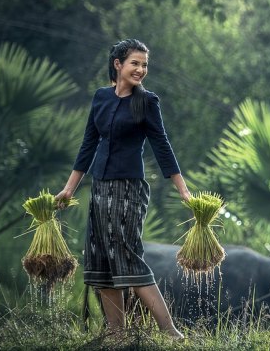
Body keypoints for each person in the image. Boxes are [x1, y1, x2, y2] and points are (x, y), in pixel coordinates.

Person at [55, 39, 191, 340]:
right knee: (100, 258)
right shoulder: (101, 98)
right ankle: (116, 335)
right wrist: (69, 189)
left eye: (144, 64)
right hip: (100, 188)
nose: (141, 70)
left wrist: (183, 191)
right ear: (118, 64)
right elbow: (88, 145)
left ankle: (171, 333)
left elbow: (162, 147)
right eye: (135, 63)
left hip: (129, 190)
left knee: (127, 257)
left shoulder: (147, 102)